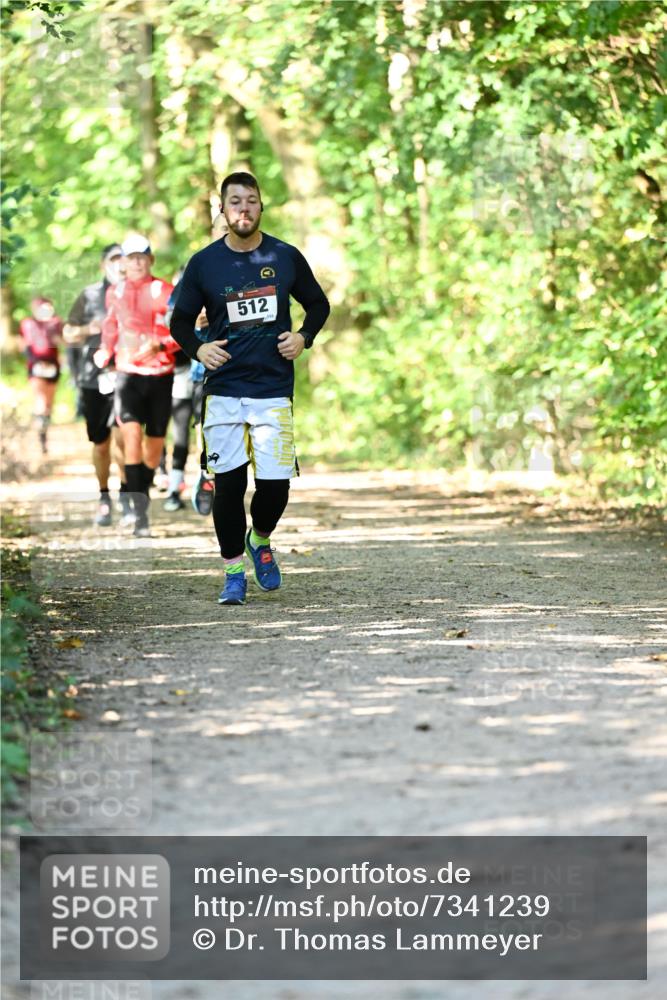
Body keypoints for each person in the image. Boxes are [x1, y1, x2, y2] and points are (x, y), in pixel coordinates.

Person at [170, 171, 330, 605]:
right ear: (221, 208)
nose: (244, 208)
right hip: (224, 388)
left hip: (273, 387)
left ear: (262, 206)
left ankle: (259, 539)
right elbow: (180, 322)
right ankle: (233, 573)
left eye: (252, 200)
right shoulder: (204, 263)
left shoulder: (285, 256)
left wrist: (303, 337)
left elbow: (318, 304)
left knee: (276, 486)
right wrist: (199, 351)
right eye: (235, 201)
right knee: (228, 484)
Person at [94, 235, 177, 537]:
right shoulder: (115, 292)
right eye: (131, 258)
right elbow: (111, 326)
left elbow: (182, 331)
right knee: (130, 436)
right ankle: (139, 513)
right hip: (127, 375)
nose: (137, 262)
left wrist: (161, 345)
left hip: (160, 376)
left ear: (150, 260)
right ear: (124, 263)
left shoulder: (164, 290)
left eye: (142, 257)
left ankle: (140, 492)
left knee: (153, 448)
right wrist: (105, 349)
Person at [63, 244, 130, 527]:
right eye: (114, 259)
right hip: (94, 378)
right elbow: (68, 333)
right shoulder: (89, 295)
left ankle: (127, 498)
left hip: (127, 374)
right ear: (104, 264)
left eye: (123, 259)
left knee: (124, 438)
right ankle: (105, 498)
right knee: (101, 444)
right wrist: (87, 329)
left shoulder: (135, 293)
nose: (120, 264)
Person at [19, 296, 63, 454]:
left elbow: (62, 341)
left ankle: (44, 432)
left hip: (53, 367)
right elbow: (22, 345)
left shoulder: (56, 323)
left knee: (49, 404)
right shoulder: (27, 324)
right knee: (41, 402)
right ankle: (41, 438)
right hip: (36, 366)